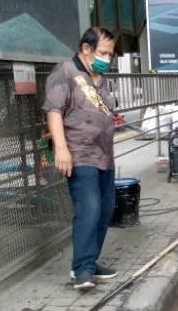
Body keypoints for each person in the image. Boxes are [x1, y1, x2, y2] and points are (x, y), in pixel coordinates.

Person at [43, 26, 119, 289]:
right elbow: (54, 111)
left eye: (111, 54)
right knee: (89, 208)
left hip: (104, 156)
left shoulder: (101, 78)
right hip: (78, 153)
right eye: (103, 53)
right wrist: (61, 149)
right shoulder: (64, 71)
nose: (107, 58)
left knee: (106, 208)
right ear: (86, 49)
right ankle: (82, 269)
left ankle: (91, 260)